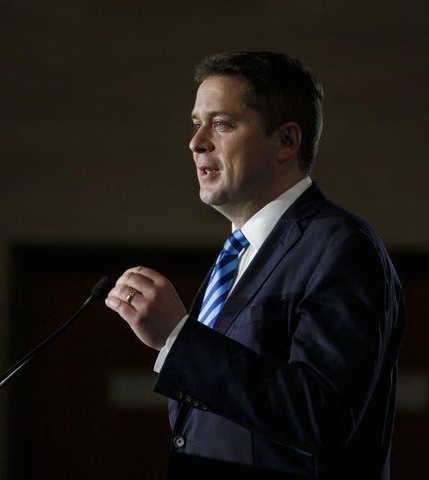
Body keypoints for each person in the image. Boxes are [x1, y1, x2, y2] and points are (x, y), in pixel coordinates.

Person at [104, 51, 405, 480]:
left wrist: (177, 336)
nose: (196, 142)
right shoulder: (237, 254)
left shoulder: (341, 249)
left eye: (222, 124)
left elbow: (320, 414)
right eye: (196, 123)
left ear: (286, 142)